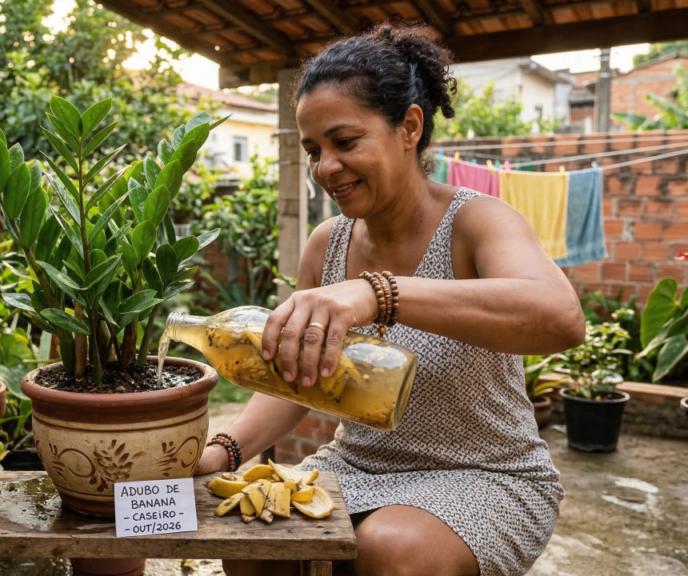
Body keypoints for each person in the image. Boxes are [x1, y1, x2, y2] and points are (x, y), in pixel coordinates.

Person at [194, 23, 584, 576]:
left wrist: (379, 294)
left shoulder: (476, 223)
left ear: (409, 127)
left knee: (389, 550)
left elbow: (561, 318)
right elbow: (294, 378)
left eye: (345, 142)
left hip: (487, 474)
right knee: (252, 541)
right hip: (355, 465)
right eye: (314, 150)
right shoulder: (325, 245)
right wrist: (221, 451)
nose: (326, 167)